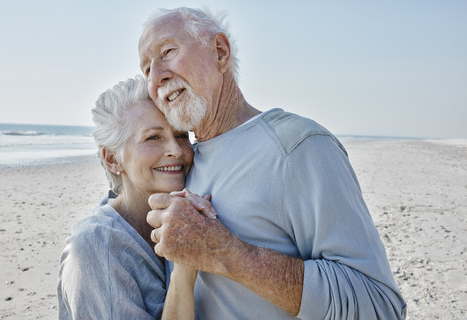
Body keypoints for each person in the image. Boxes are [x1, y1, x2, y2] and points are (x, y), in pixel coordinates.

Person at [139, 7, 407, 319]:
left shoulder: (298, 146)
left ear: (220, 52)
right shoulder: (181, 165)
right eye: (146, 70)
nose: (157, 77)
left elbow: (379, 307)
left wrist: (224, 252)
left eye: (168, 52)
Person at [57, 75, 212, 319]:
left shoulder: (184, 216)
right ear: (113, 159)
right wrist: (184, 268)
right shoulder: (95, 246)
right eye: (153, 137)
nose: (175, 149)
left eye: (181, 135)